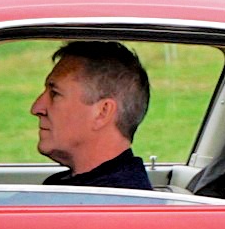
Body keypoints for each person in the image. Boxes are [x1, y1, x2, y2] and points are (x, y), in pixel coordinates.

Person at [31, 41, 154, 190]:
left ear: (102, 113)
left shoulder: (113, 205)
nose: (36, 108)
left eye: (55, 94)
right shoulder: (83, 190)